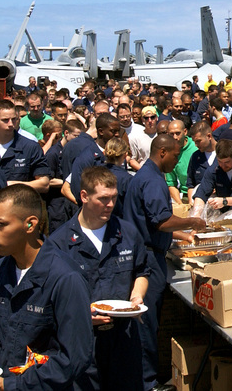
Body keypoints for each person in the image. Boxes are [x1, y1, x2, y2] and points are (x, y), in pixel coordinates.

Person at [0, 185, 94, 389]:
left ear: (30, 225)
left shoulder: (65, 279)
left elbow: (74, 358)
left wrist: (14, 386)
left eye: (0, 225)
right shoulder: (0, 270)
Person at [44, 166, 148, 391]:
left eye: (113, 198)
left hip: (124, 339)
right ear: (84, 196)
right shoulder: (59, 243)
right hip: (82, 344)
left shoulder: (127, 234)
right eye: (103, 199)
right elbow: (48, 300)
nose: (110, 205)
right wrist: (81, 316)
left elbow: (141, 272)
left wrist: (137, 296)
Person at [122, 134, 206, 390]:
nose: (177, 159)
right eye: (176, 155)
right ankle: (147, 382)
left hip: (146, 250)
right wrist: (192, 221)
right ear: (162, 152)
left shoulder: (148, 176)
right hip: (147, 258)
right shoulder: (152, 180)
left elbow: (151, 221)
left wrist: (181, 235)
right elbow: (161, 221)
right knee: (146, 321)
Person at [0, 101, 50, 192]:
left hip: (19, 203)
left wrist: (13, 185)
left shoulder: (30, 147)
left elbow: (44, 184)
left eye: (13, 119)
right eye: (5, 120)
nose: (11, 124)